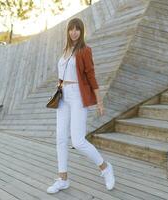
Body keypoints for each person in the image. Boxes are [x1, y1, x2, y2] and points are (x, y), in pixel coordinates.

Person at [47, 17, 115, 194]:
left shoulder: (85, 50)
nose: (74, 32)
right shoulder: (65, 50)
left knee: (77, 141)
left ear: (81, 31)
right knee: (61, 138)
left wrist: (99, 101)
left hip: (77, 96)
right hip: (63, 96)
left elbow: (91, 76)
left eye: (77, 29)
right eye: (71, 29)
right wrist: (60, 85)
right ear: (68, 31)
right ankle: (63, 179)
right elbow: (63, 74)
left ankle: (105, 167)